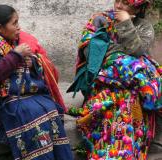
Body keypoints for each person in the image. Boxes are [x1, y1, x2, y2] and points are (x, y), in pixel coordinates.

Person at [0, 5, 73, 160]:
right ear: (0, 27)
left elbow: (21, 67)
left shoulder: (9, 40)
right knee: (29, 112)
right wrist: (16, 55)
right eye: (14, 23)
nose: (19, 27)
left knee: (49, 107)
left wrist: (31, 63)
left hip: (16, 95)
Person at [67, 0, 162, 159]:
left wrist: (125, 23)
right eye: (117, 0)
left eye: (125, 3)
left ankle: (121, 153)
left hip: (131, 87)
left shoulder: (144, 27)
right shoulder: (99, 19)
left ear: (137, 8)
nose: (118, 6)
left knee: (129, 101)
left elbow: (137, 49)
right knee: (138, 73)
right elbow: (91, 53)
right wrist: (124, 58)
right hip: (103, 83)